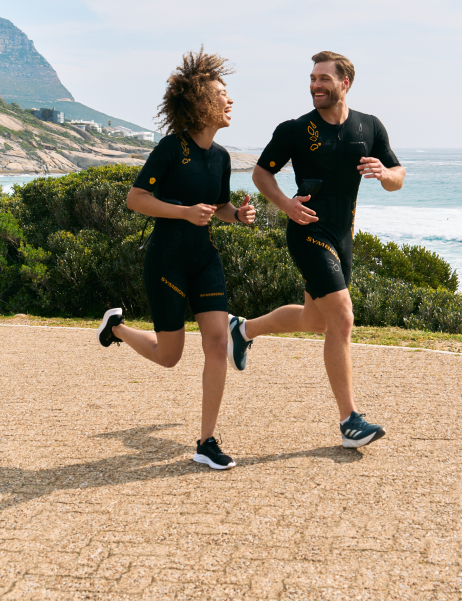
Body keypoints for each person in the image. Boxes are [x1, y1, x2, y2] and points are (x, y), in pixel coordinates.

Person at [227, 51, 405, 448]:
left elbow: (398, 175)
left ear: (345, 83)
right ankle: (349, 421)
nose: (315, 85)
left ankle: (243, 329)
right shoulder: (295, 129)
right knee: (342, 318)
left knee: (316, 320)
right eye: (312, 78)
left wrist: (385, 174)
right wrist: (286, 205)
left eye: (324, 78)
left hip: (343, 238)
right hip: (307, 231)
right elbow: (261, 173)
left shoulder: (369, 126)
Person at [96, 48, 255, 470]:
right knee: (170, 356)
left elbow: (218, 206)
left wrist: (235, 215)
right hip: (166, 260)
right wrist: (184, 212)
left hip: (205, 259)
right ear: (200, 102)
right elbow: (136, 199)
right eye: (222, 93)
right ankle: (116, 328)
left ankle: (206, 441)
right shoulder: (171, 148)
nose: (229, 100)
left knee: (218, 343)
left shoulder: (222, 158)